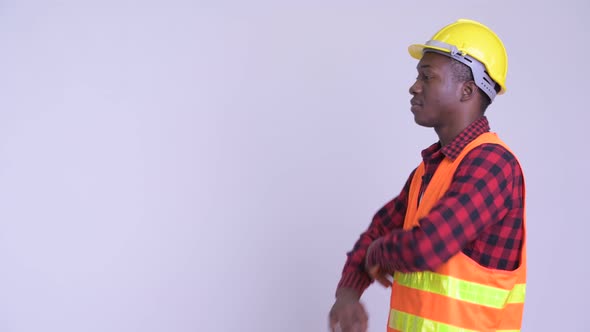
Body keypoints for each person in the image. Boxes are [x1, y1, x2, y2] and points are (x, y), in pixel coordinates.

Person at [328, 19, 526, 332]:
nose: (414, 86)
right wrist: (348, 292)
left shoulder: (493, 165)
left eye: (427, 76)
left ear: (467, 90)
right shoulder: (430, 170)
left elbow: (428, 246)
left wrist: (378, 253)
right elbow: (375, 232)